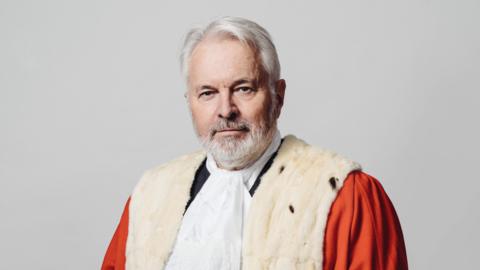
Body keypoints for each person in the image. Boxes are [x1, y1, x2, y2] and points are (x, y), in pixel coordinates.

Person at [101, 16, 408, 270]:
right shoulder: (151, 197)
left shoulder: (342, 195)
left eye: (244, 88)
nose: (225, 110)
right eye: (207, 93)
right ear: (189, 102)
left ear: (278, 97)